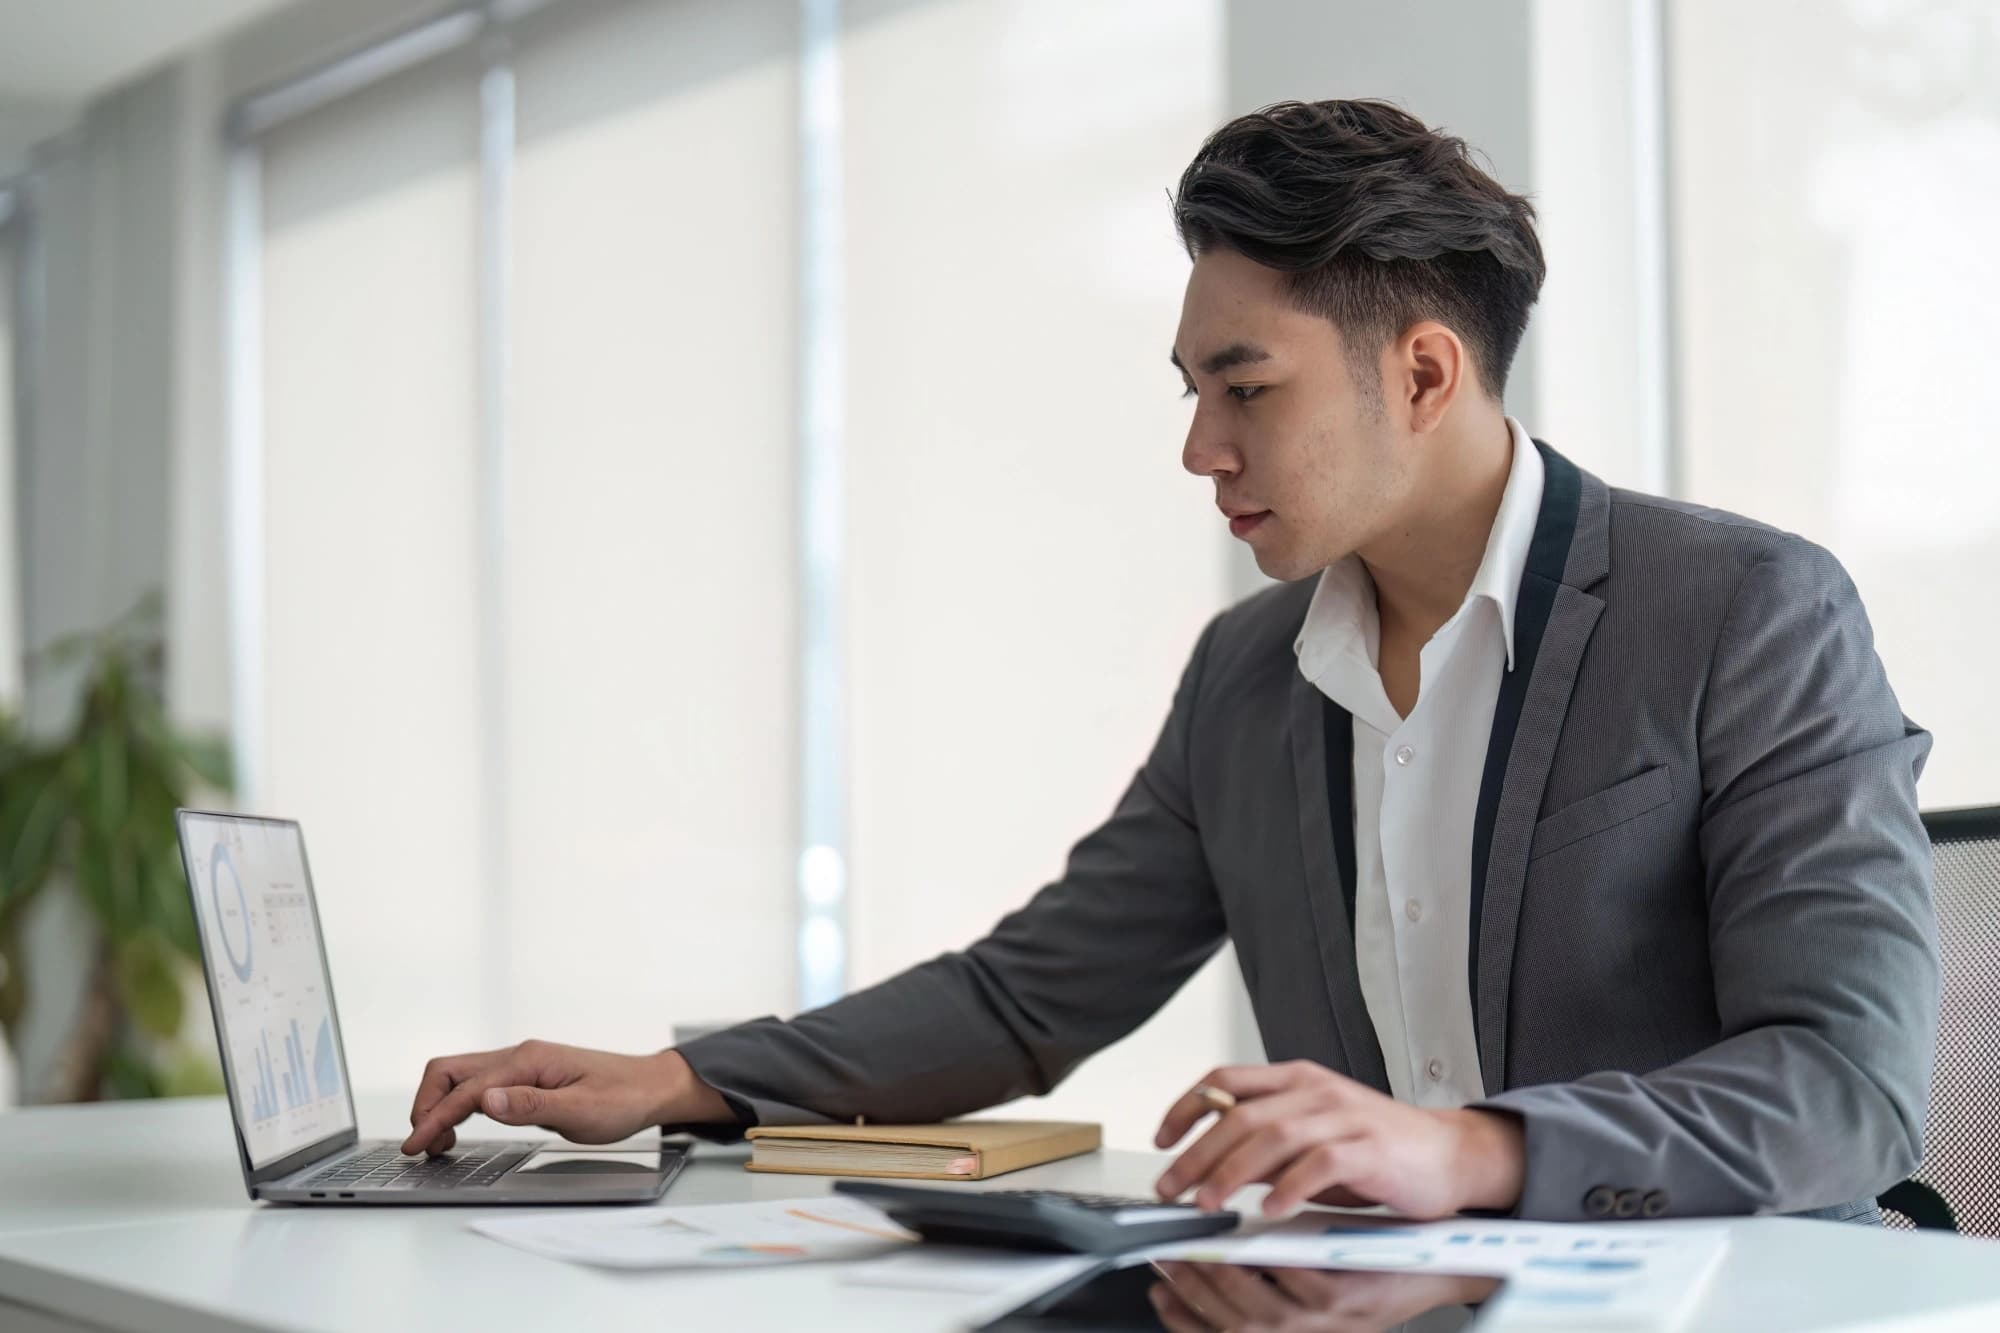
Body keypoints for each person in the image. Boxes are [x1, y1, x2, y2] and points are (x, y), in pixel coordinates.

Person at [402, 100, 1938, 1225]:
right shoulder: (1248, 676)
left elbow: (1850, 1086)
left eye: (1243, 386)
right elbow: (1026, 995)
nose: (1200, 446)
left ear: (1421, 370)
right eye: (1192, 387)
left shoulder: (1745, 612)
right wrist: (675, 1079)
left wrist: (1470, 1148)